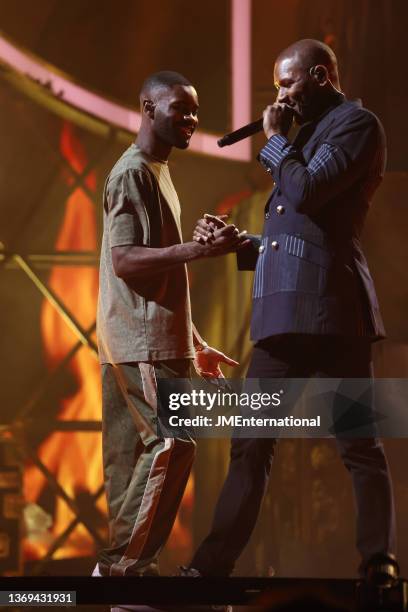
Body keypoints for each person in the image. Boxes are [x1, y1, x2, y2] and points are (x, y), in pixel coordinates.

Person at [187, 39, 397, 578]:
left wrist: (277, 141)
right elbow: (299, 236)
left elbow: (307, 193)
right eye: (277, 86)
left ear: (322, 77)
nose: (280, 95)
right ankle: (212, 567)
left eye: (288, 84)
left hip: (335, 315)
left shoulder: (356, 125)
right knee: (250, 445)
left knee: (358, 445)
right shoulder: (306, 137)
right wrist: (243, 244)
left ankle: (378, 563)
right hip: (284, 321)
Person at [94, 70, 247, 578]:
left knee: (131, 461)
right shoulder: (132, 172)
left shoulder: (158, 170)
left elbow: (162, 273)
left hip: (155, 340)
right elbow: (127, 261)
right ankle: (125, 570)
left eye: (195, 110)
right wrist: (200, 249)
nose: (191, 119)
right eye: (179, 109)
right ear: (147, 108)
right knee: (172, 442)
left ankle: (121, 580)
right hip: (141, 344)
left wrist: (195, 341)